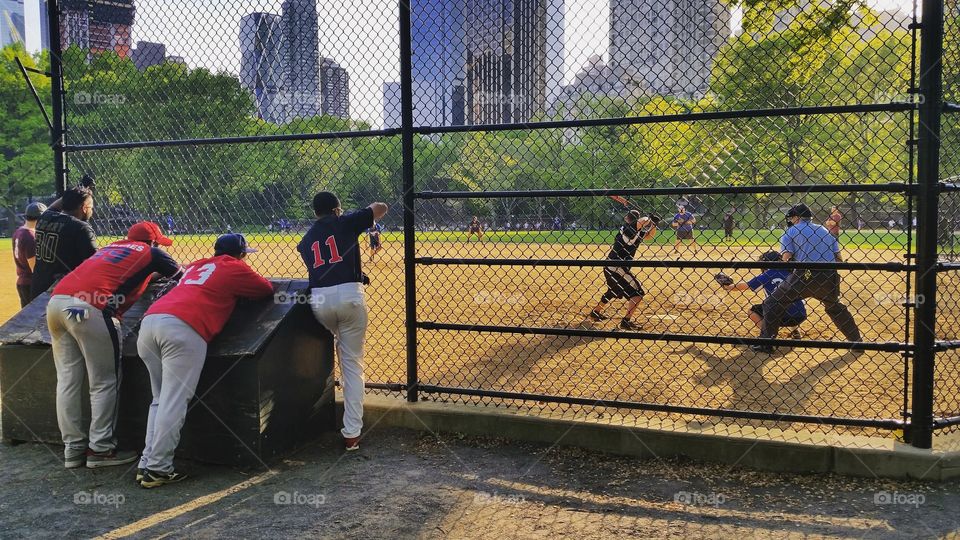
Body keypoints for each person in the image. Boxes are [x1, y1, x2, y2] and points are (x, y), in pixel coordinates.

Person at [136, 233, 274, 488]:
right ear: (241, 254)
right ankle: (158, 468)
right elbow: (265, 289)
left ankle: (147, 463)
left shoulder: (196, 264)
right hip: (183, 328)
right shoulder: (234, 266)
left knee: (159, 399)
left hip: (150, 323)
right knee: (174, 401)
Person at [47, 221, 182, 469]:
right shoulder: (151, 252)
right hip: (91, 309)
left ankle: (73, 449)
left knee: (67, 379)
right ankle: (100, 449)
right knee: (104, 382)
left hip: (57, 302)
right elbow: (179, 275)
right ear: (152, 242)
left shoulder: (109, 248)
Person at [297, 192, 388, 451]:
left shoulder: (306, 239)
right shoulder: (346, 221)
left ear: (316, 213)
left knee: (322, 355)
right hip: (350, 298)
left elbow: (326, 266)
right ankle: (351, 434)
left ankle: (309, 424)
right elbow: (381, 206)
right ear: (336, 209)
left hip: (319, 302)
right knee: (351, 365)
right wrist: (357, 213)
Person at [754, 203, 862, 353]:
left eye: (792, 218)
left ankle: (766, 343)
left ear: (797, 217)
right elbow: (839, 259)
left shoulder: (790, 232)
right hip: (828, 276)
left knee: (772, 303)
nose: (790, 220)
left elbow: (786, 258)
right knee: (835, 307)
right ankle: (857, 343)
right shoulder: (825, 231)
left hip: (803, 275)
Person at [589, 210, 657, 331]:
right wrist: (649, 218)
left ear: (627, 218)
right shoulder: (628, 228)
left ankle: (596, 312)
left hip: (611, 266)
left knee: (613, 290)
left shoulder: (636, 231)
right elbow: (642, 221)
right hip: (617, 267)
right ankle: (626, 321)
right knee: (638, 293)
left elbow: (649, 236)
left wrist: (654, 224)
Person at [720, 251, 806, 340]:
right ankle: (795, 331)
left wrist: (728, 286)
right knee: (791, 301)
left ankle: (767, 335)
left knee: (753, 311)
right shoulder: (791, 273)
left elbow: (744, 286)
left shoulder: (767, 275)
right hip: (800, 315)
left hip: (778, 316)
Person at [31, 186, 98, 300]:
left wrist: (77, 192)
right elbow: (94, 265)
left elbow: (55, 205)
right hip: (61, 293)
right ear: (84, 208)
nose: (92, 210)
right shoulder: (81, 228)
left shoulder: (44, 218)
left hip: (38, 286)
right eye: (91, 207)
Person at [12, 202, 47, 307]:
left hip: (22, 282)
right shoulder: (30, 237)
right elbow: (35, 269)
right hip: (30, 284)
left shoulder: (19, 231)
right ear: (41, 218)